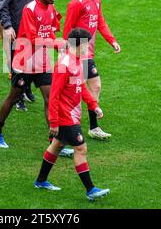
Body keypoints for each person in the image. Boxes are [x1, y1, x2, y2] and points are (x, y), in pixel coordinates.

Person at [0, 0, 72, 156]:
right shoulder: (30, 9)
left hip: (42, 62)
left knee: (50, 99)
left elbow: (50, 29)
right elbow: (32, 39)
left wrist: (58, 47)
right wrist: (57, 44)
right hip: (25, 62)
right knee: (12, 98)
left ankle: (54, 143)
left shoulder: (50, 8)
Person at [33, 28, 110, 201]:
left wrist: (93, 105)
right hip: (65, 116)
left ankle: (40, 181)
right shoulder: (64, 64)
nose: (88, 47)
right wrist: (54, 122)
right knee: (81, 148)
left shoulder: (77, 61)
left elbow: (81, 86)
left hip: (72, 115)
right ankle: (90, 190)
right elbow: (54, 95)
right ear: (80, 44)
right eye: (87, 43)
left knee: (57, 146)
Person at [62, 0, 121, 140]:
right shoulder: (77, 3)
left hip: (89, 53)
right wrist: (70, 54)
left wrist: (112, 41)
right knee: (79, 89)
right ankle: (72, 125)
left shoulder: (97, 1)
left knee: (94, 87)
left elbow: (100, 22)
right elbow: (68, 29)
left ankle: (92, 127)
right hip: (79, 55)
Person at [0, 0, 46, 111]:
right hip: (18, 29)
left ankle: (26, 89)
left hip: (37, 28)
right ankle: (18, 98)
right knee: (18, 65)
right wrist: (8, 26)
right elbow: (3, 5)